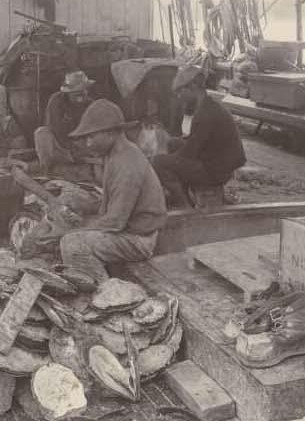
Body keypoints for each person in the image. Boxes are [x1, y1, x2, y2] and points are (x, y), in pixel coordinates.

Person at [31, 99, 167, 287]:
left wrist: (69, 230)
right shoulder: (114, 155)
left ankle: (104, 293)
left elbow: (115, 222)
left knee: (73, 244)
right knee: (68, 202)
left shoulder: (127, 164)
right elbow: (111, 204)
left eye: (91, 137)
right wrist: (84, 206)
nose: (87, 143)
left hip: (138, 239)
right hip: (127, 227)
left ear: (110, 132)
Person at [151, 65, 245, 208]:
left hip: (217, 171)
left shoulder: (205, 114)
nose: (179, 97)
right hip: (217, 161)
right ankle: (185, 191)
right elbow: (195, 143)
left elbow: (189, 153)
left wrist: (161, 161)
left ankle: (185, 205)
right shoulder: (208, 105)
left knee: (158, 162)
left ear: (193, 86)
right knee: (173, 144)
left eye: (180, 91)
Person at [34, 70, 93, 171]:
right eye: (76, 93)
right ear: (68, 92)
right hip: (60, 147)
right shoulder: (56, 101)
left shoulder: (91, 104)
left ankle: (82, 164)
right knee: (41, 133)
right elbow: (56, 130)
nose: (81, 96)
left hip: (80, 146)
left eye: (83, 91)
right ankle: (47, 169)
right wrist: (71, 149)